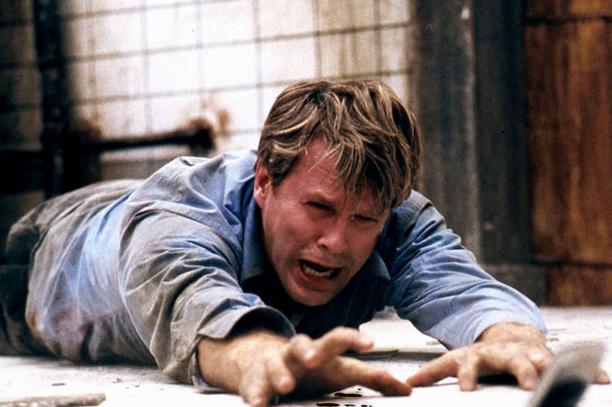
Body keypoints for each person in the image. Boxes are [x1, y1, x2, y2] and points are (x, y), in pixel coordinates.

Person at [0, 80, 606, 406]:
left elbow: (462, 285)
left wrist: (509, 339)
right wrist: (264, 358)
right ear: (265, 181)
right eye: (319, 208)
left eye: (363, 219)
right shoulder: (180, 216)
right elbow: (195, 304)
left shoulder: (393, 217)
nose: (337, 242)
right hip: (45, 254)